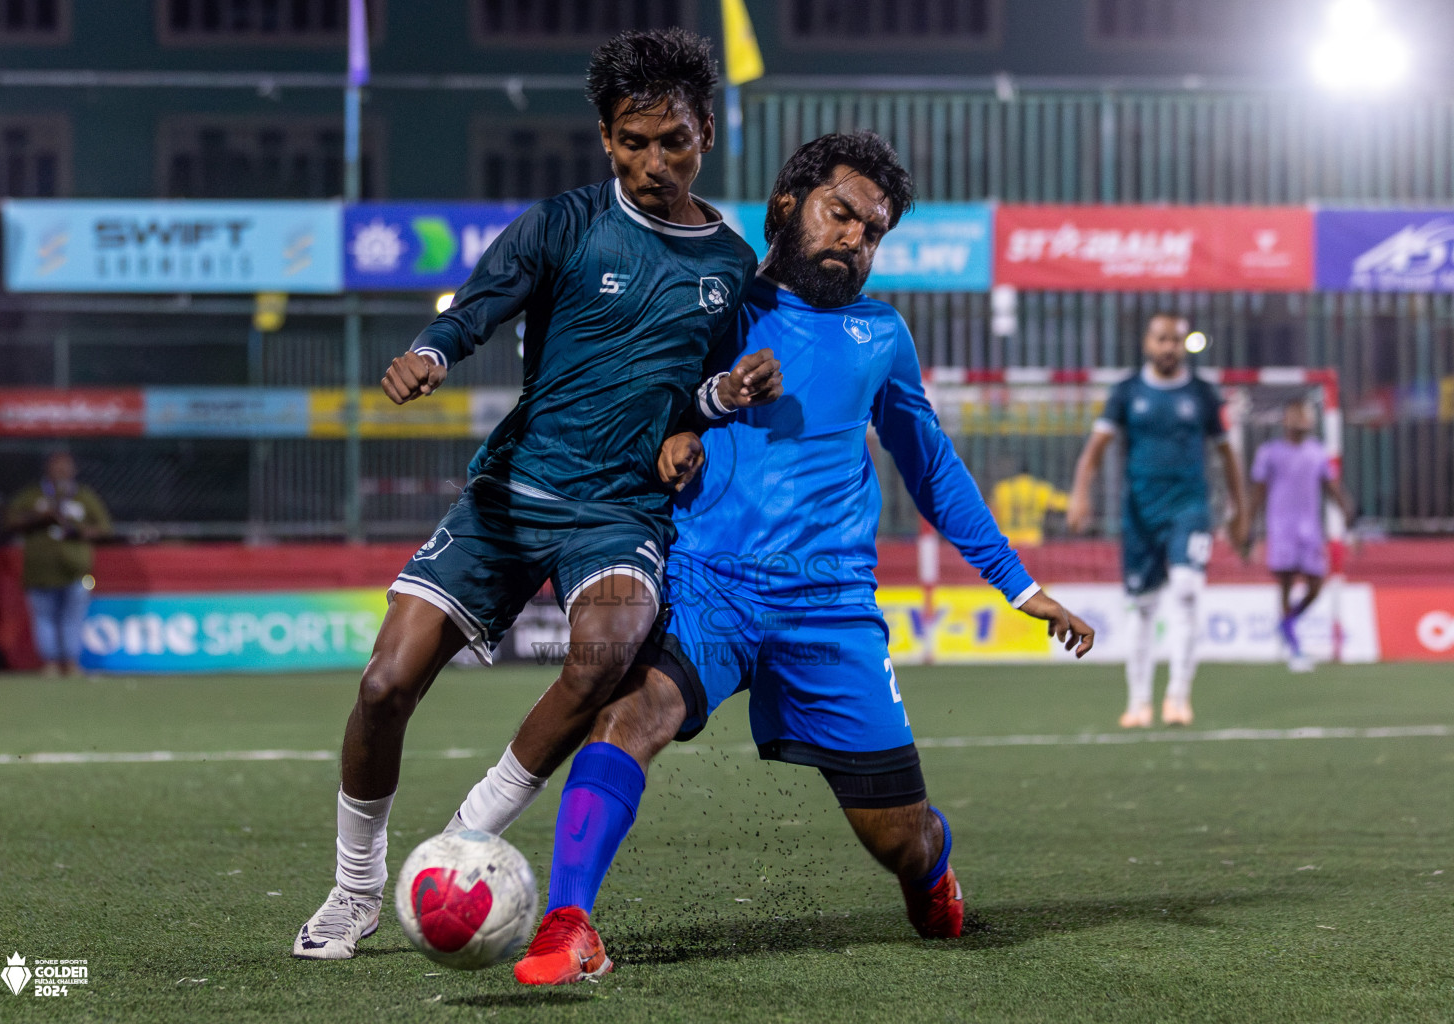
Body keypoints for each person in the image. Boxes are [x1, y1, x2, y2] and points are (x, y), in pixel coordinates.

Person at [496, 132, 1095, 985]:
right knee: (630, 719)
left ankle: (932, 869)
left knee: (896, 837)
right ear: (787, 206)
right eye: (841, 213)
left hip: (831, 609)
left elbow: (931, 468)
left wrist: (1021, 585)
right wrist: (675, 438)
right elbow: (650, 405)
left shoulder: (881, 335)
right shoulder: (716, 303)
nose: (856, 239)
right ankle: (567, 925)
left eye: (874, 230)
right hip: (711, 587)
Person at [293, 28, 783, 960]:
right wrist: (432, 352)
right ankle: (355, 888)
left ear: (706, 133)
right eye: (633, 142)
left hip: (619, 511)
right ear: (605, 138)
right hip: (516, 489)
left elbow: (694, 397)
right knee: (385, 683)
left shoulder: (730, 265)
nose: (652, 162)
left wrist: (708, 414)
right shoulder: (564, 223)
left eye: (672, 140)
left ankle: (466, 840)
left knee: (604, 654)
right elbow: (483, 299)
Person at [1066, 313, 1247, 729]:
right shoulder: (1128, 392)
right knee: (1142, 608)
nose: (1169, 347)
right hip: (1140, 514)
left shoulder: (1203, 395)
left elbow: (1227, 456)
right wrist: (1080, 494)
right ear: (1148, 343)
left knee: (1186, 591)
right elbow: (1095, 449)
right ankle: (1139, 703)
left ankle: (1179, 697)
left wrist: (1240, 512)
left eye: (1176, 341)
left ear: (1185, 345)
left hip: (1190, 509)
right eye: (1162, 339)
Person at [1248, 399, 1354, 672]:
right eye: (1297, 416)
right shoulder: (1269, 452)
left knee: (1316, 583)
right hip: (1281, 526)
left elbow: (1330, 486)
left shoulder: (1317, 452)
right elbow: (1258, 493)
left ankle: (1287, 625)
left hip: (1310, 529)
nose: (1302, 421)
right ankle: (1294, 648)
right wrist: (1248, 524)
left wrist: (1347, 511)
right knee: (1284, 584)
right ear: (1286, 420)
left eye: (1305, 416)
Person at [4, 450, 110, 676]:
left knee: (72, 618)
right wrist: (39, 518)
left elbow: (103, 528)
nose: (61, 471)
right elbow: (11, 522)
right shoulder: (33, 496)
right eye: (56, 466)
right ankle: (50, 663)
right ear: (47, 469)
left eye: (66, 466)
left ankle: (71, 662)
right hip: (40, 571)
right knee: (44, 618)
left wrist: (77, 530)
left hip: (76, 570)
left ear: (73, 470)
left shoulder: (83, 496)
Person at [989, 462, 1070, 547]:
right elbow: (1062, 503)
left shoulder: (1002, 489)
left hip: (1009, 540)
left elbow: (992, 514)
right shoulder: (1039, 488)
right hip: (1032, 540)